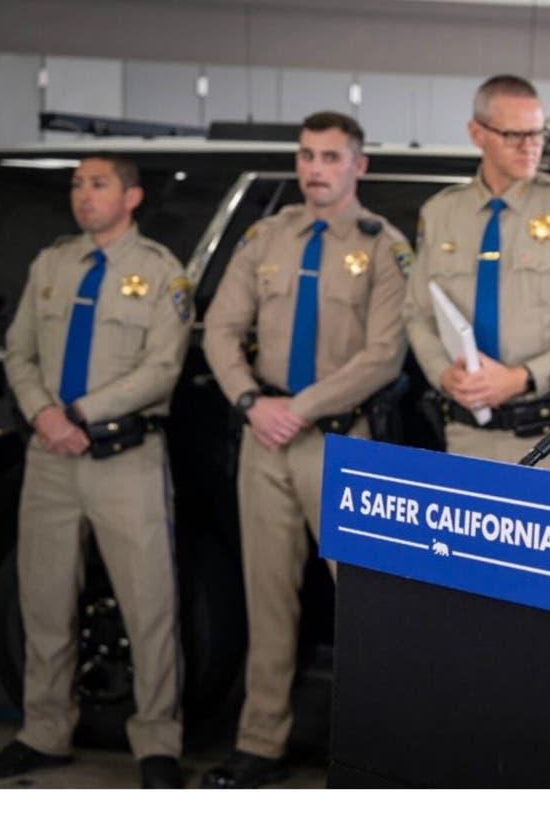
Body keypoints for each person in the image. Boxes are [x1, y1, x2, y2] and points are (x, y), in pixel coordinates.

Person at [199, 111, 410, 788]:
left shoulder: (384, 247)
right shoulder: (265, 237)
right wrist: (250, 402)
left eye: (329, 157)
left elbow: (385, 356)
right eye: (306, 156)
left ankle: (374, 747)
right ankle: (260, 743)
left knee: (368, 604)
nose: (315, 169)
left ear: (358, 166)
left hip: (344, 446)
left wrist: (300, 409)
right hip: (264, 438)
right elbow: (220, 330)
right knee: (268, 599)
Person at [0, 155, 191, 789]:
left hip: (125, 459)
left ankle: (158, 744)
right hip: (50, 459)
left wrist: (79, 413)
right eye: (76, 184)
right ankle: (43, 731)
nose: (83, 195)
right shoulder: (51, 265)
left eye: (98, 184)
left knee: (149, 607)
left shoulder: (159, 273)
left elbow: (162, 368)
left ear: (132, 197)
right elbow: (19, 351)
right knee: (44, 601)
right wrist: (44, 415)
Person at [403, 74, 550, 465]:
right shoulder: (439, 214)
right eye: (513, 135)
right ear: (477, 133)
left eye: (538, 134)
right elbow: (417, 314)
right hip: (463, 433)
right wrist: (443, 374)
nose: (530, 147)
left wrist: (523, 376)